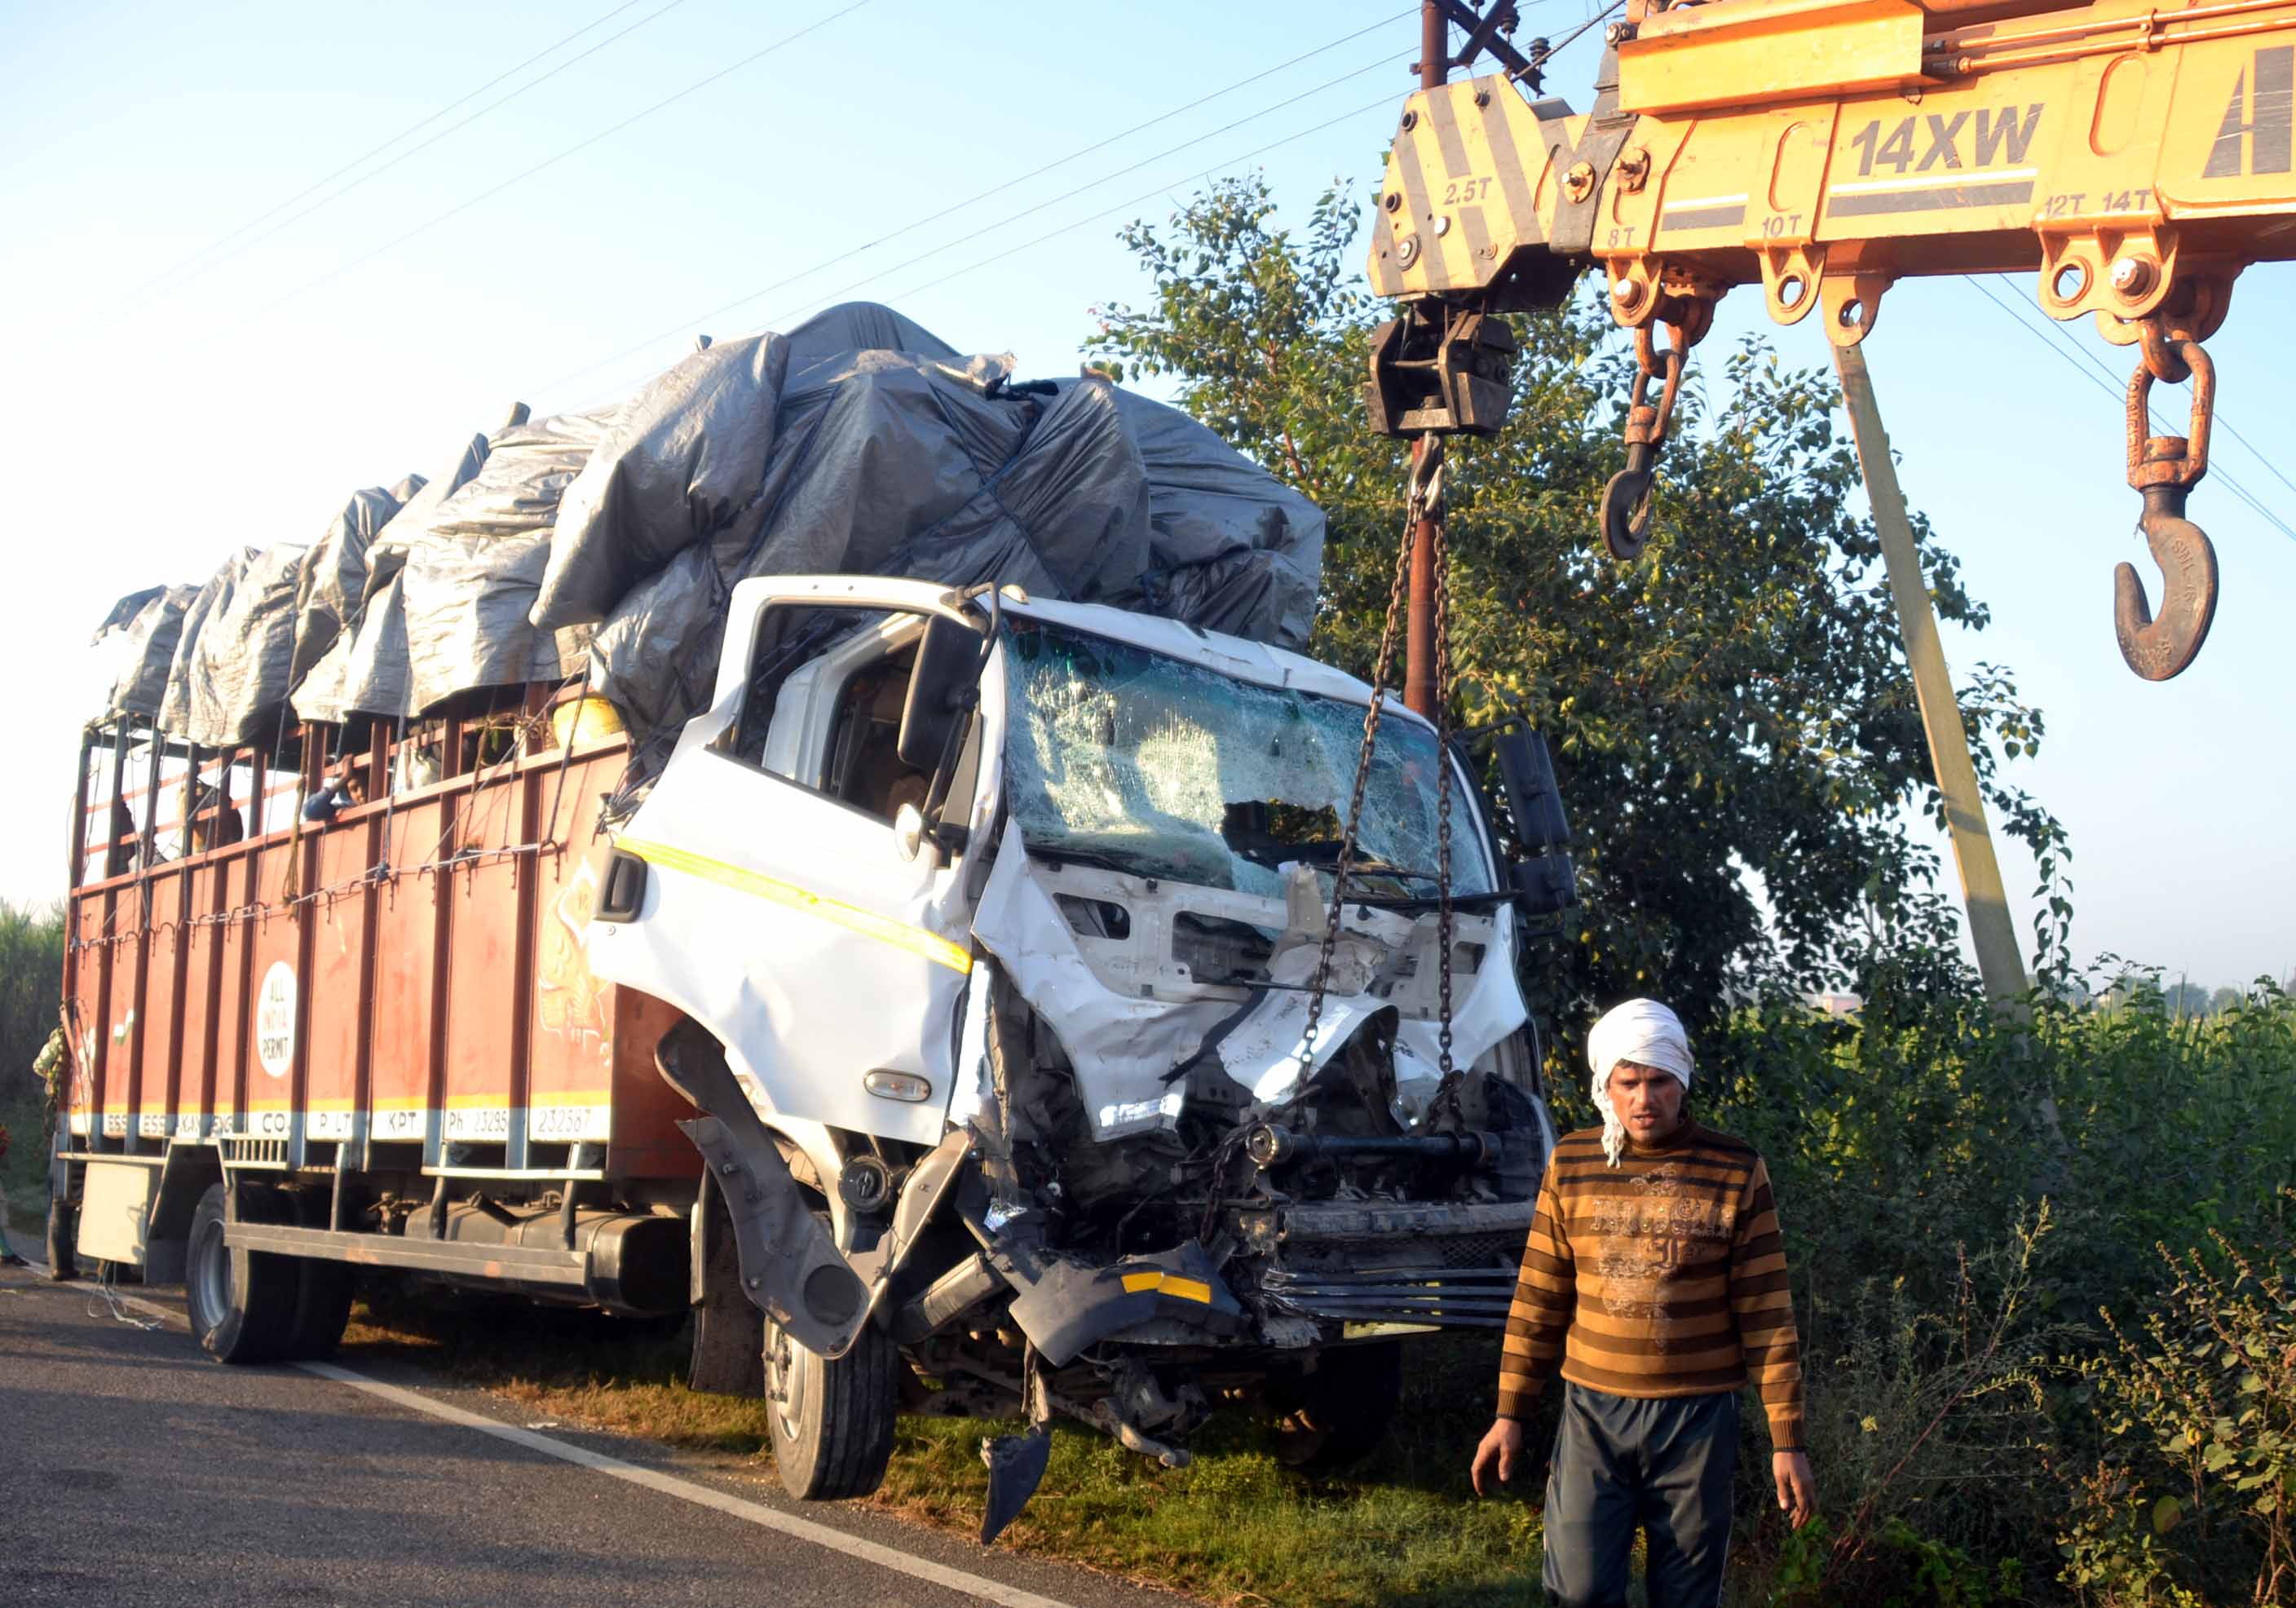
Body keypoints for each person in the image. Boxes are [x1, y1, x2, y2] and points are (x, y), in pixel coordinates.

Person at [1471, 998, 1817, 1608]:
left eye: (1658, 1081)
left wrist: (1786, 1439)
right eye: (1627, 1083)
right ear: (1605, 1085)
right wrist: (1510, 1412)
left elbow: (1766, 1312)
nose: (1643, 1099)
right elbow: (1540, 1295)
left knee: (1685, 1595)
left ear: (1682, 1081)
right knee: (1577, 1590)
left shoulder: (1734, 1169)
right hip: (1593, 1415)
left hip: (1697, 1421)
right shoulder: (1574, 1162)